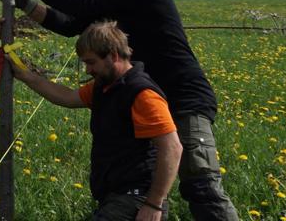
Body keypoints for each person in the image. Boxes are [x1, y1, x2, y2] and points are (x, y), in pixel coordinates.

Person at [0, 0, 239, 221]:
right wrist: (25, 4)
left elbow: (77, 4)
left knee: (201, 185)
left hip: (181, 96)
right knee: (144, 180)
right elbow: (70, 24)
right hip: (143, 96)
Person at [11, 21, 182, 220]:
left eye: (91, 62)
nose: (87, 70)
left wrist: (154, 204)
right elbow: (67, 97)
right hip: (115, 195)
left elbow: (172, 148)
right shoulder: (104, 86)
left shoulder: (142, 94)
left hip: (137, 199)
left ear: (114, 56)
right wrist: (25, 75)